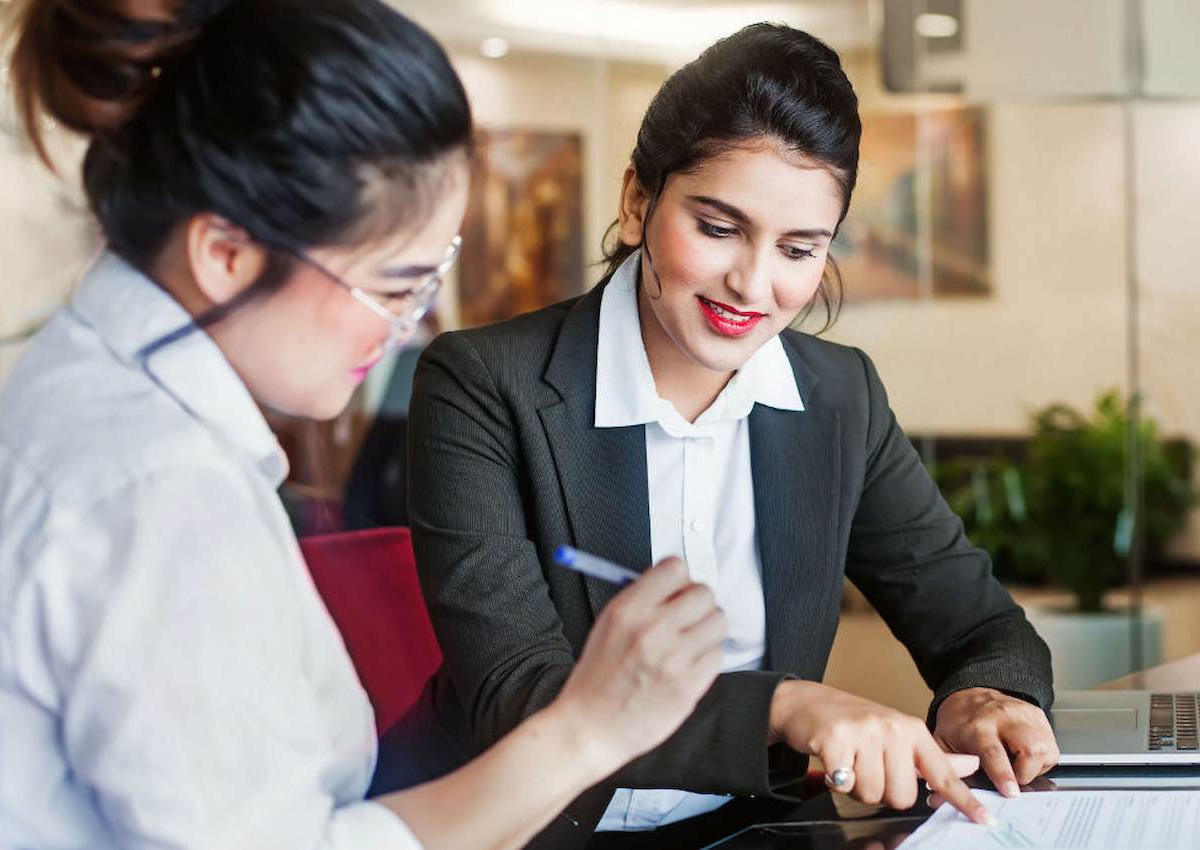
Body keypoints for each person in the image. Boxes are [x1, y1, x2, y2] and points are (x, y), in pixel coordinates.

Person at [0, 1, 724, 848]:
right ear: (225, 253)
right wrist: (588, 729)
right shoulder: (157, 494)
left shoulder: (97, 385)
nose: (408, 325)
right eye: (393, 283)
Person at [403, 22, 1058, 843]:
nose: (753, 284)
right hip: (527, 830)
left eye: (798, 248)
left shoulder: (837, 395)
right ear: (638, 200)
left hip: (756, 830)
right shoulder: (482, 382)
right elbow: (518, 693)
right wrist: (787, 707)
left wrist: (986, 695)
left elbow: (976, 625)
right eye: (717, 228)